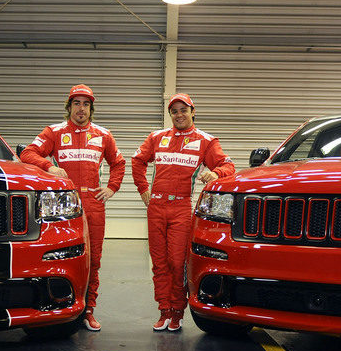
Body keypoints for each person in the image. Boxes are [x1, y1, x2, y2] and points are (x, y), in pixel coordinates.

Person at [20, 84, 125, 332]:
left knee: (93, 260)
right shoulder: (54, 132)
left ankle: (88, 311)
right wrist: (49, 167)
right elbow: (28, 153)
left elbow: (118, 163)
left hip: (93, 204)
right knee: (63, 257)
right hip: (63, 205)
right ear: (69, 107)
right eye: (76, 103)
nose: (81, 108)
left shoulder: (103, 134)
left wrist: (111, 188)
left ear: (91, 108)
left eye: (86, 104)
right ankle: (61, 307)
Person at [132, 92, 235, 333]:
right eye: (174, 111)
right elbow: (137, 161)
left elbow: (228, 166)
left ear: (192, 111)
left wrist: (215, 174)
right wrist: (143, 189)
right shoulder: (157, 137)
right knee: (158, 263)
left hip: (180, 207)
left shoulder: (206, 141)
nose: (179, 115)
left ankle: (178, 312)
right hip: (156, 206)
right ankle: (164, 311)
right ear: (170, 115)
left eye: (183, 110)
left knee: (177, 263)